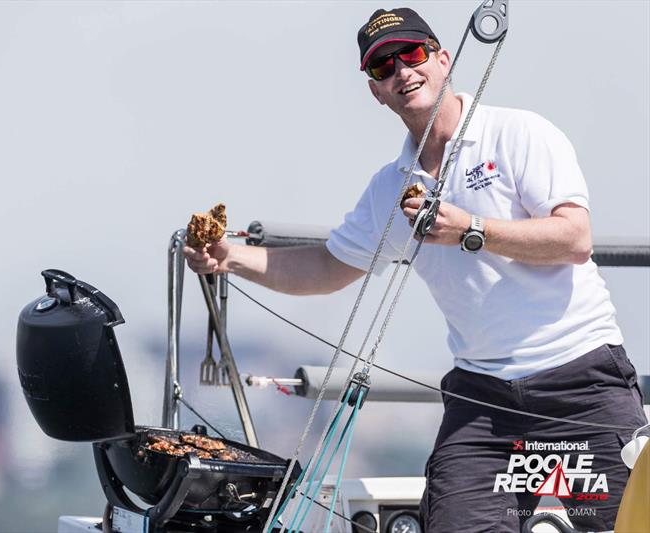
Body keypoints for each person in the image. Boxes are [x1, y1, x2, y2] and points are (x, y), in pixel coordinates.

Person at [184, 7, 646, 532]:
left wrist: (471, 229)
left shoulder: (519, 133)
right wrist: (232, 258)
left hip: (580, 386)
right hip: (483, 403)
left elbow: (574, 239)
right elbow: (329, 266)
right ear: (376, 90)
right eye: (383, 66)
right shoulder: (390, 187)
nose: (402, 70)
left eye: (413, 54)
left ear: (444, 59)